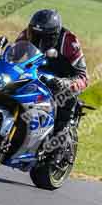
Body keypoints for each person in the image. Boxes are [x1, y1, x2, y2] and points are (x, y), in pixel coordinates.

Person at [15, 9, 88, 158]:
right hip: (36, 75)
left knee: (65, 96)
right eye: (35, 35)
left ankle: (57, 142)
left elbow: (83, 77)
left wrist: (66, 83)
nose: (38, 41)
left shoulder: (69, 41)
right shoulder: (26, 34)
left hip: (62, 80)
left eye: (44, 37)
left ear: (54, 35)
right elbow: (13, 58)